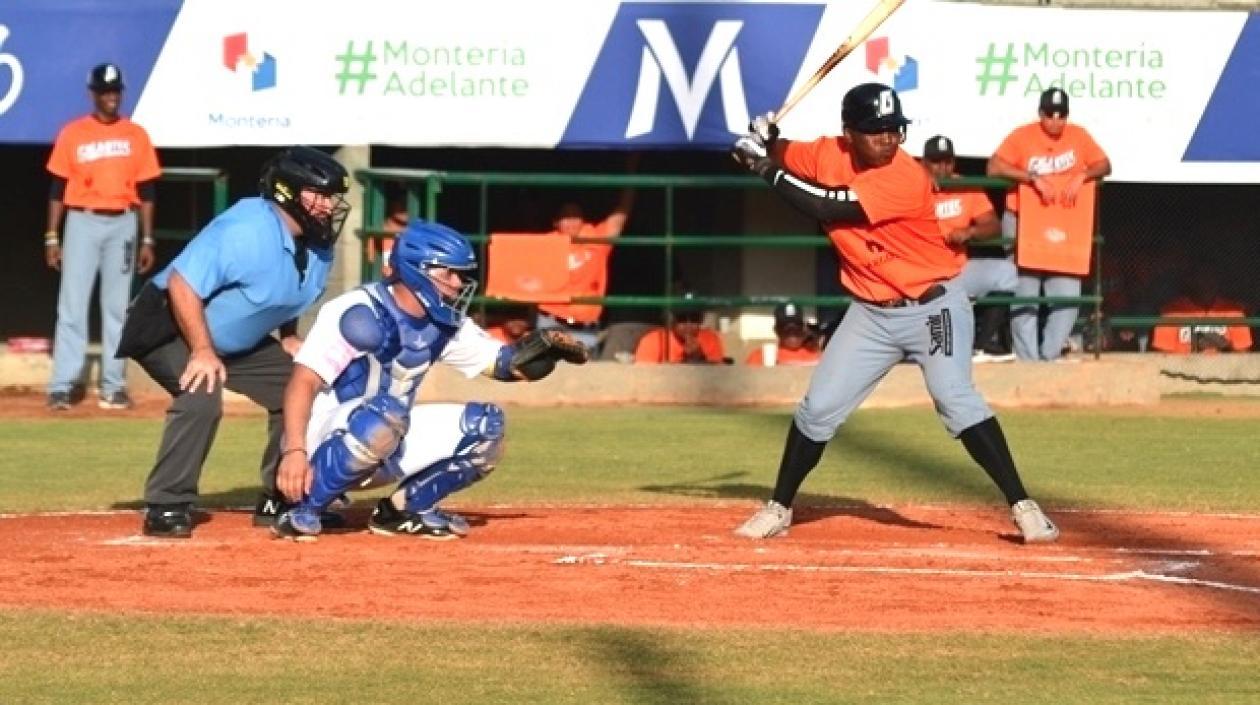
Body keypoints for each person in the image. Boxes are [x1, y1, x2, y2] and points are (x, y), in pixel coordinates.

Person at [729, 82, 1058, 543]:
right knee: (817, 408)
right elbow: (780, 154)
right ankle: (779, 506)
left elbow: (822, 203)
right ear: (848, 133)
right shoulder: (827, 153)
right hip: (869, 313)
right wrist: (764, 139)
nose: (888, 139)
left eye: (894, 130)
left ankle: (1025, 507)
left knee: (955, 400)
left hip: (932, 306)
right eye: (876, 131)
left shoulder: (904, 176)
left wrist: (761, 165)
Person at [272, 220, 589, 541]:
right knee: (385, 414)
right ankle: (303, 511)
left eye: (460, 274)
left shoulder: (445, 321)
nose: (458, 282)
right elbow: (303, 381)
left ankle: (404, 510)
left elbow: (507, 366)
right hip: (323, 441)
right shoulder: (357, 312)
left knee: (487, 425)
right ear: (416, 271)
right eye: (448, 273)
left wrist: (546, 349)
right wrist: (294, 451)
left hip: (388, 436)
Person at [119, 146, 351, 538]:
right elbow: (182, 284)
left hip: (239, 339)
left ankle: (282, 495)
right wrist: (203, 351)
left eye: (332, 196)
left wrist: (290, 336)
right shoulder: (245, 229)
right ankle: (167, 503)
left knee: (299, 388)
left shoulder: (317, 242)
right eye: (319, 194)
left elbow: (287, 289)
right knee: (201, 394)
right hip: (169, 325)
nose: (329, 205)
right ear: (287, 192)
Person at [44, 63, 161, 411]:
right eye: (105, 91)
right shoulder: (73, 133)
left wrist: (148, 239)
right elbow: (57, 187)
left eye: (115, 91)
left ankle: (113, 384)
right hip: (82, 219)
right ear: (93, 94)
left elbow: (148, 190)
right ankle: (63, 385)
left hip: (123, 222)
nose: (111, 97)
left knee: (117, 308)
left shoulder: (135, 135)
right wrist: (52, 235)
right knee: (72, 305)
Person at [987, 88, 1111, 362]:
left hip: (1064, 225)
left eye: (1061, 114)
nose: (1055, 120)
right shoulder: (1023, 135)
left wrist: (1083, 174)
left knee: (1067, 297)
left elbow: (1105, 164)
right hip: (1022, 220)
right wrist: (1030, 177)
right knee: (1025, 295)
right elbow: (994, 167)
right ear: (1040, 113)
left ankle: (1049, 356)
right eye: (1050, 114)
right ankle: (1028, 362)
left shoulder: (1079, 135)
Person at [921, 135, 1015, 363]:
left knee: (1007, 273)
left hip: (957, 269)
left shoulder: (964, 185)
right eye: (935, 162)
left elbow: (993, 225)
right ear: (924, 163)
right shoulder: (911, 188)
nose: (942, 168)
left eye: (947, 162)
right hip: (921, 273)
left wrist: (970, 232)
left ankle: (980, 345)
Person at [536, 174, 637, 353]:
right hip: (550, 322)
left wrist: (632, 172)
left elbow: (621, 215)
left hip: (584, 328)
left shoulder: (595, 237)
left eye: (576, 216)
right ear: (556, 222)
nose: (571, 221)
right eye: (566, 216)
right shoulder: (544, 244)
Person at [1151, 264, 1252, 354]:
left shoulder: (1233, 311)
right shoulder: (1172, 311)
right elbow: (1163, 354)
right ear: (1191, 281)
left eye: (1211, 278)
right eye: (1201, 278)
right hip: (1181, 369)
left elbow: (1242, 352)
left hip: (1222, 370)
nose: (1206, 284)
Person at [633, 301, 726, 364]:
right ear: (671, 320)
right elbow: (643, 380)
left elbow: (716, 379)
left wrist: (699, 358)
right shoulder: (652, 341)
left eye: (694, 319)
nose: (689, 324)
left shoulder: (710, 338)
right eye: (682, 319)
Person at [745, 303, 821, 366]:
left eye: (797, 327)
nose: (792, 332)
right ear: (776, 330)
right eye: (786, 328)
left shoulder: (818, 355)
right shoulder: (759, 357)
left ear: (804, 328)